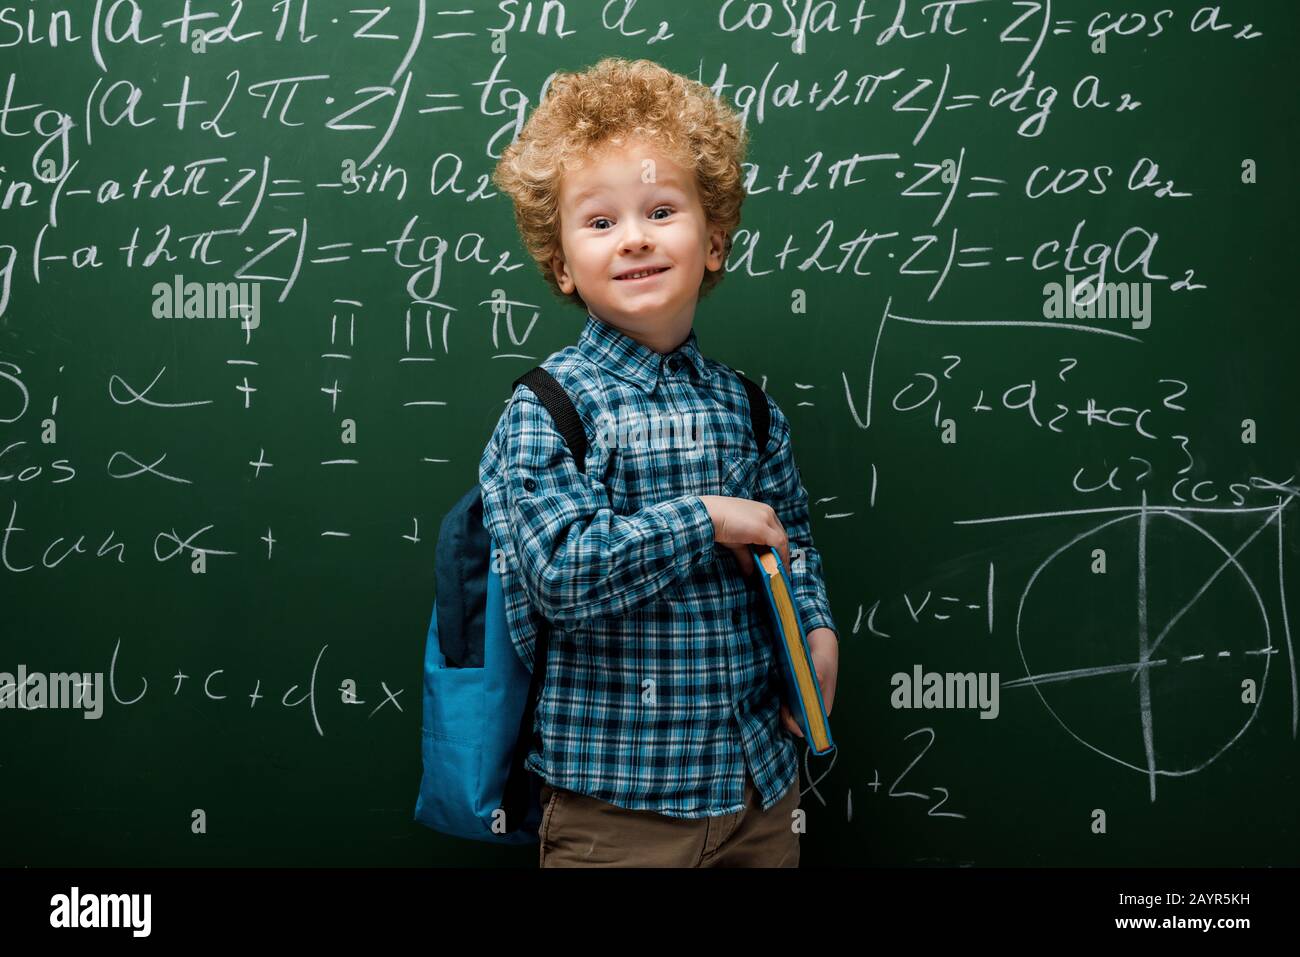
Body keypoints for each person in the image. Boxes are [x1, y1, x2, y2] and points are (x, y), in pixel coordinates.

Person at [481, 56, 839, 867]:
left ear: (714, 241)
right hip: (617, 811)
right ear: (563, 263)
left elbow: (795, 538)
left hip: (758, 790)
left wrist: (815, 626)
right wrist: (706, 519)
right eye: (600, 221)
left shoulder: (747, 409)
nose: (635, 235)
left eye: (662, 209)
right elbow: (562, 573)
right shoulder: (548, 410)